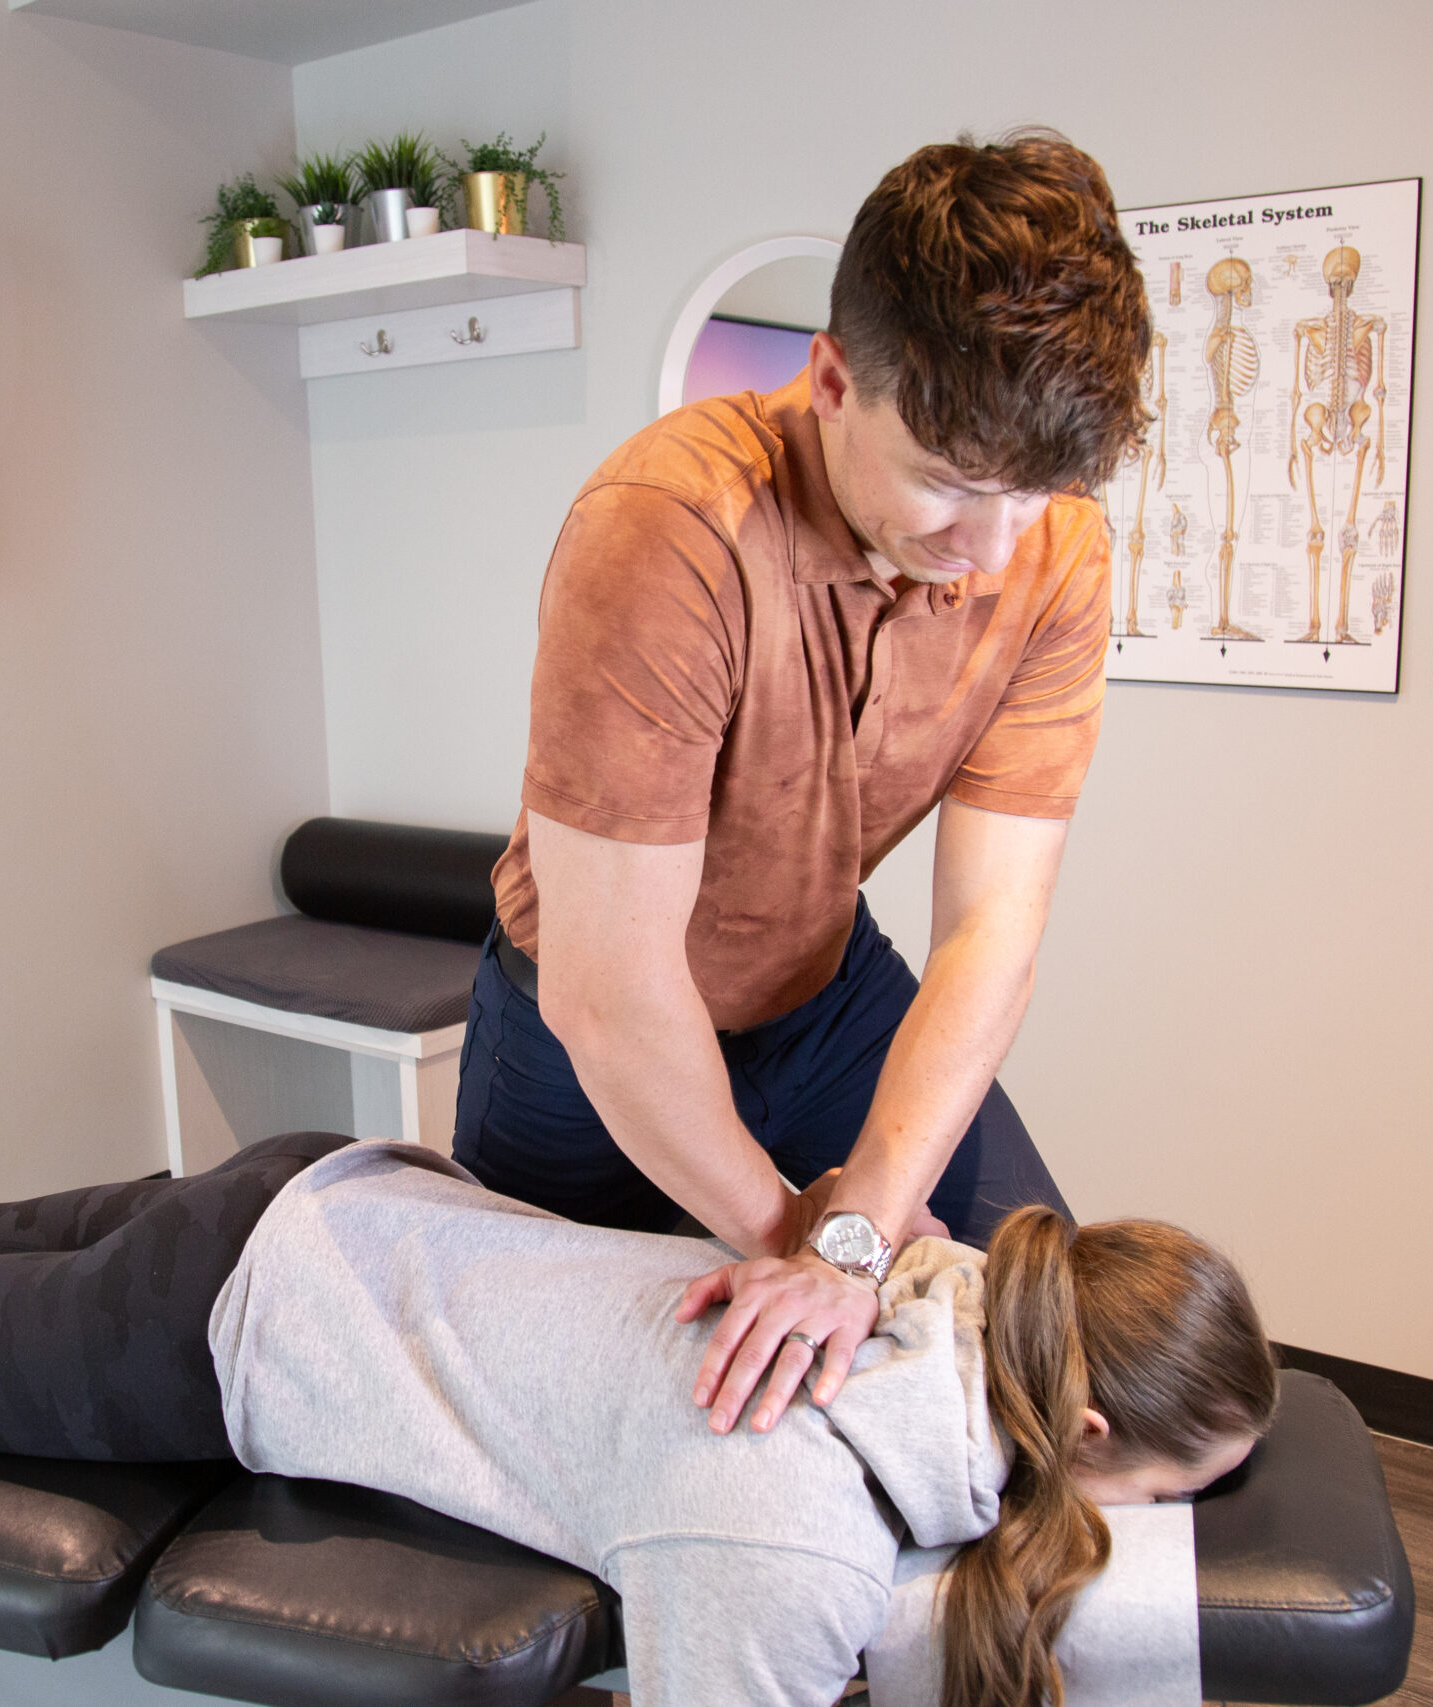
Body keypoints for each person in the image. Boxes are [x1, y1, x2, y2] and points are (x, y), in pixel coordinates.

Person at [0, 1098, 1278, 1707]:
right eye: (1197, 1482)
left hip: (331, 1186)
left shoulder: (921, 1268)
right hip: (231, 1330)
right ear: (1084, 1438)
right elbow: (769, 1616)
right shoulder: (773, 1514)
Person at [457, 129, 1152, 1428]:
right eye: (950, 487)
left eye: (1035, 496)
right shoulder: (671, 531)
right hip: (579, 1025)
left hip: (824, 997)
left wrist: (866, 1224)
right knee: (554, 1417)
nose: (996, 549)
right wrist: (810, 1244)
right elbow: (614, 1001)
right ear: (832, 379)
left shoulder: (1047, 545)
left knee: (1050, 1358)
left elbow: (994, 927)